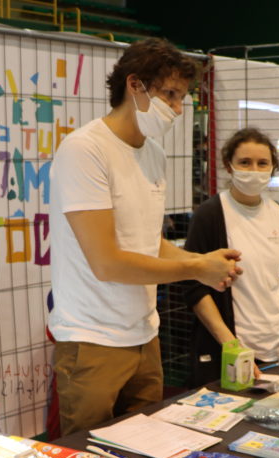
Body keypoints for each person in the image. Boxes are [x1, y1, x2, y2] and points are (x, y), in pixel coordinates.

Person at [49, 38, 242, 435]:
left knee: (146, 454)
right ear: (134, 85)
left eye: (181, 98)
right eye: (169, 94)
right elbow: (107, 262)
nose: (175, 108)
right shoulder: (84, 150)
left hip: (144, 334)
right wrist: (195, 268)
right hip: (92, 339)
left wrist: (204, 263)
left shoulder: (154, 153)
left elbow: (147, 243)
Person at [184, 127, 279, 384]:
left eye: (262, 163)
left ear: (272, 168)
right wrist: (231, 345)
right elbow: (195, 289)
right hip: (230, 350)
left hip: (277, 349)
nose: (254, 170)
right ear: (228, 166)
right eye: (245, 162)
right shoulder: (210, 215)